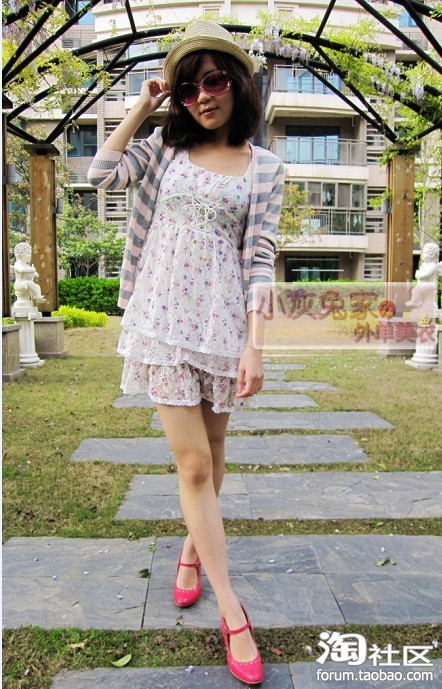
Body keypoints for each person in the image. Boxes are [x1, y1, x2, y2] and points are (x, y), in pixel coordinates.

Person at [88, 20, 284, 685]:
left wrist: (256, 345)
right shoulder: (165, 148)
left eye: (215, 80)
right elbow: (101, 174)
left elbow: (259, 259)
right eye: (189, 87)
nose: (203, 96)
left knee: (216, 450)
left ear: (238, 85)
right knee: (194, 462)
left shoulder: (265, 167)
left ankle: (193, 550)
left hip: (223, 324)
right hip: (163, 319)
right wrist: (143, 106)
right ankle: (232, 609)